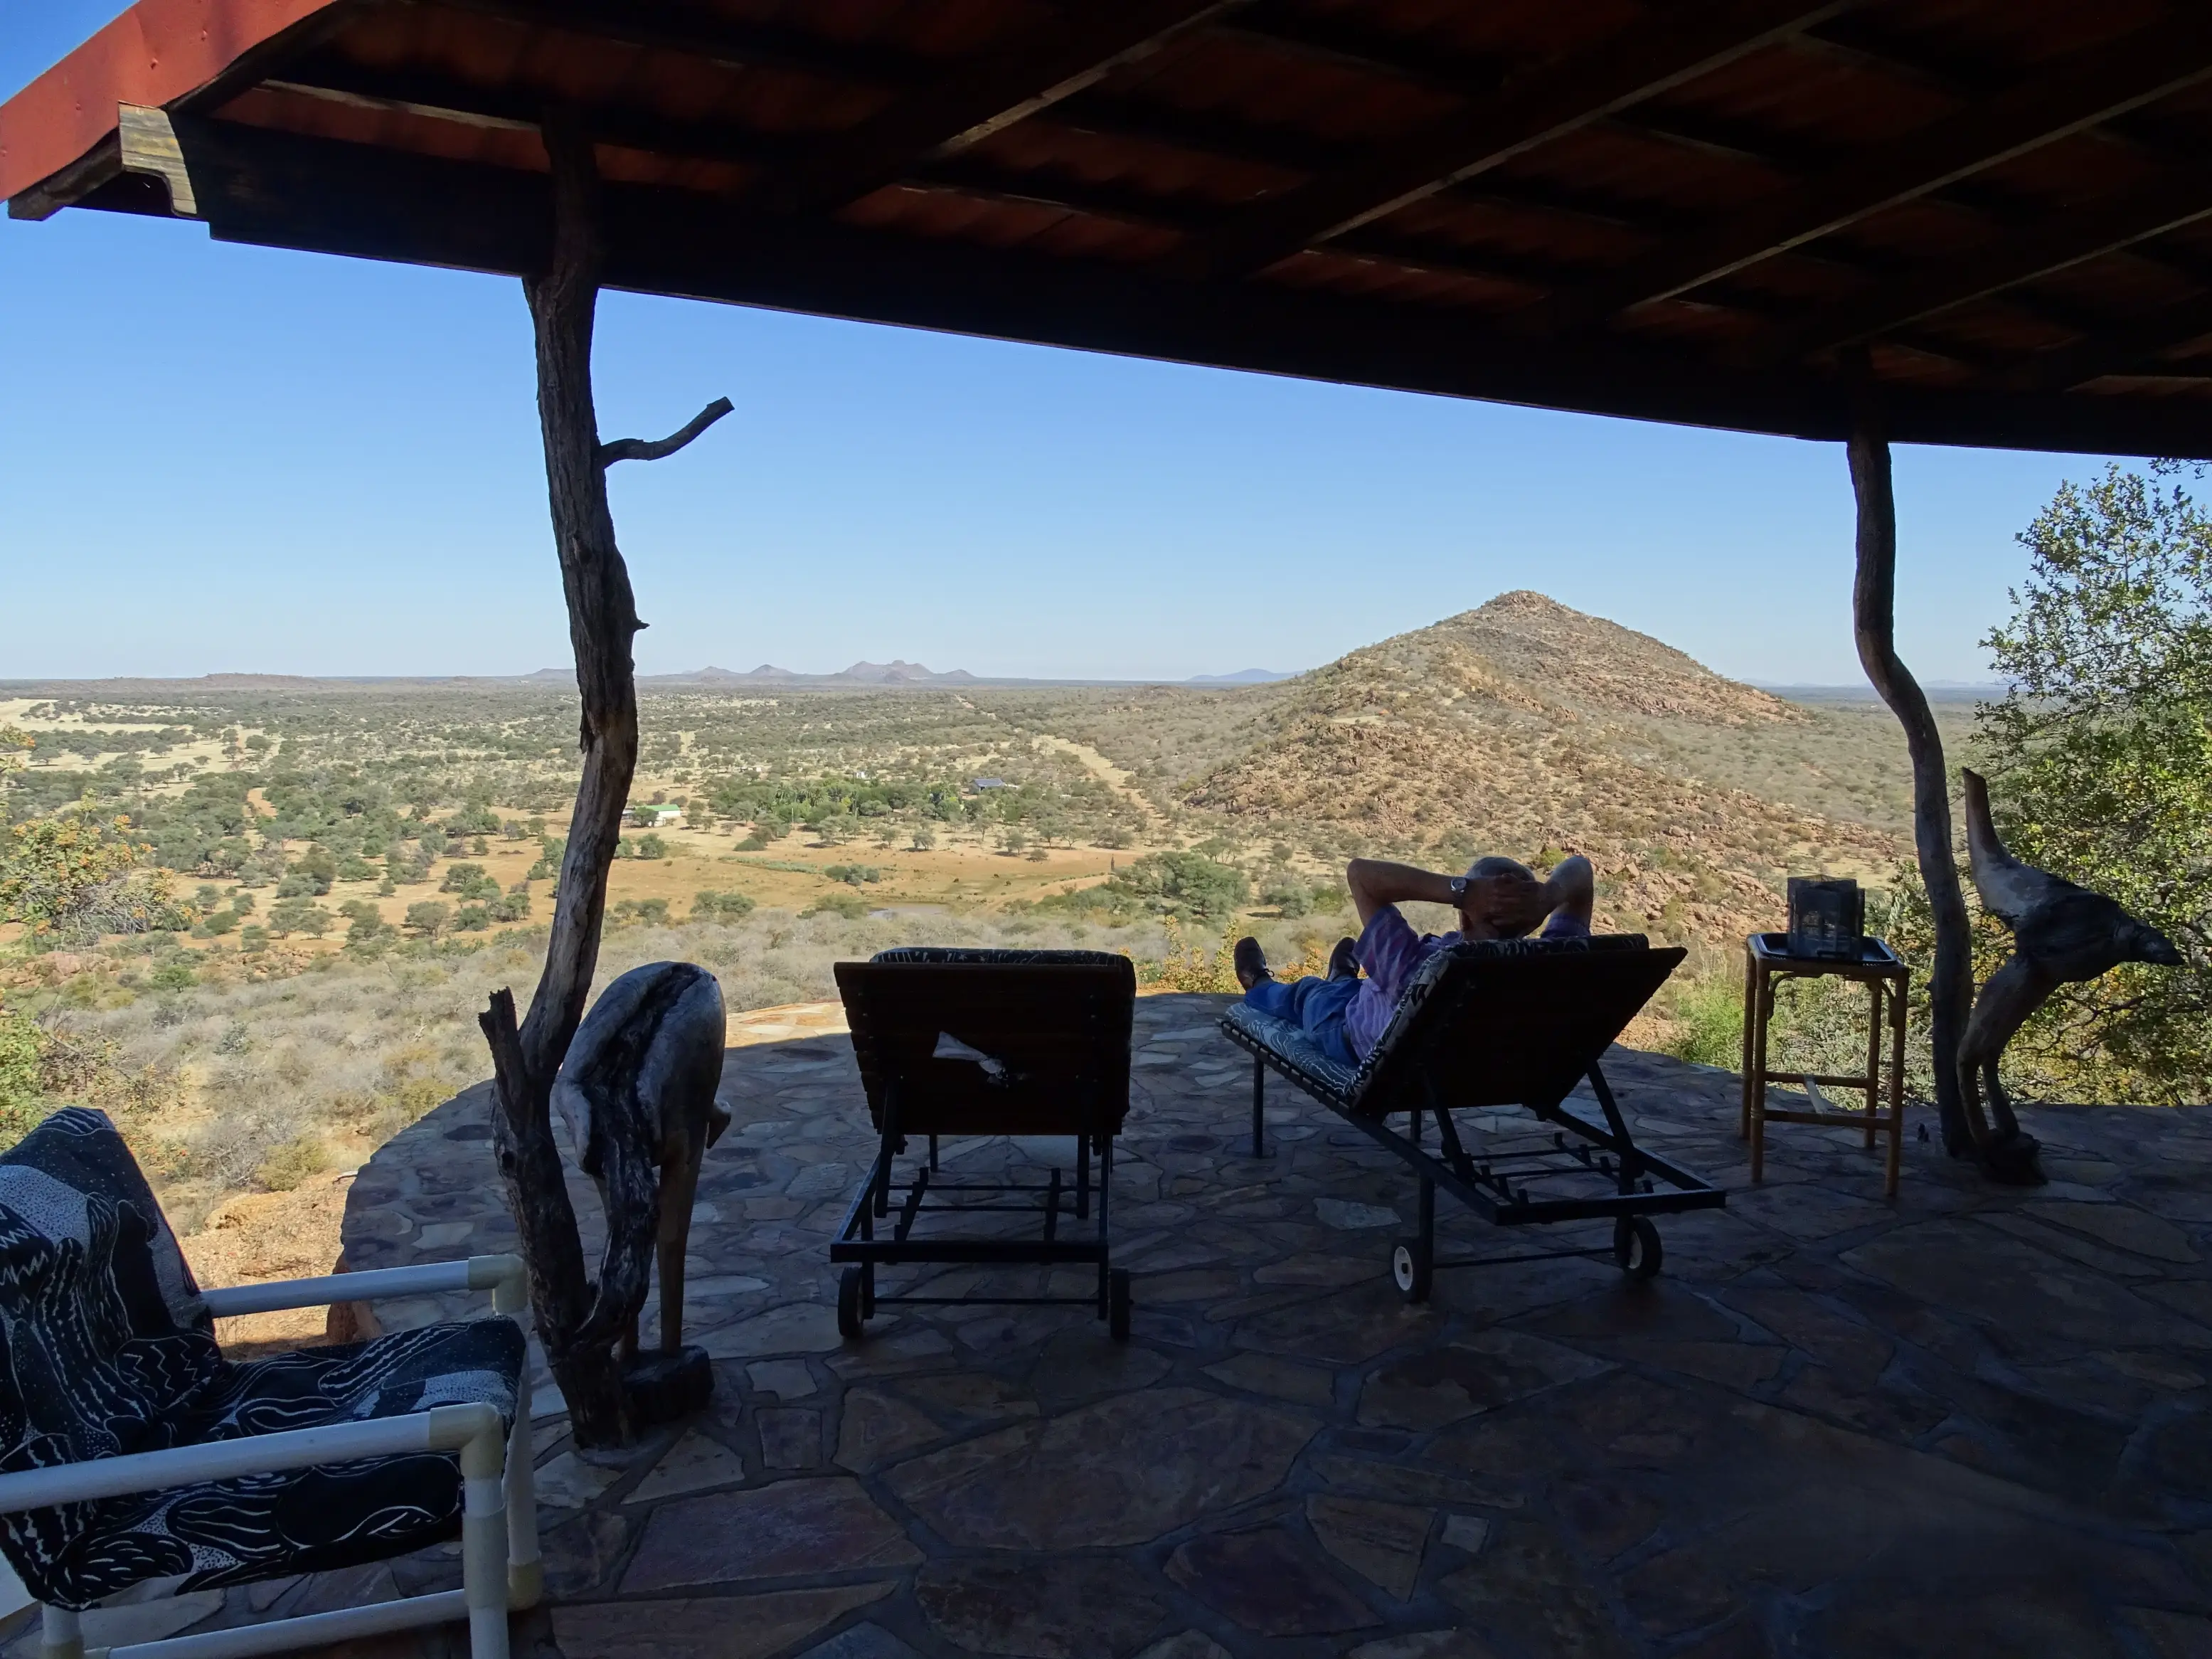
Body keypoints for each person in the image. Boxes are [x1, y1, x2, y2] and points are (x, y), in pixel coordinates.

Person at [1235, 854, 1595, 1065]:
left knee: (1307, 994)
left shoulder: (1419, 970)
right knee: (1356, 986)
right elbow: (1581, 869)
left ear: (1465, 916)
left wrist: (1461, 892)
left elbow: (1360, 873)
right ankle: (1344, 975)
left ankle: (1259, 982)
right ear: (1533, 921)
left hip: (1347, 1032)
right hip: (1427, 1038)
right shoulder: (1554, 965)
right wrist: (1549, 896)